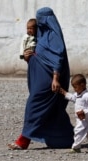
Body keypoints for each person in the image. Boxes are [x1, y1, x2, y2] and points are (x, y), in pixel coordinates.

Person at [8, 7, 74, 149]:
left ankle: (23, 140)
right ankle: (65, 139)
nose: (39, 22)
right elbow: (39, 56)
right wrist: (28, 58)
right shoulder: (41, 36)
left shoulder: (53, 37)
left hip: (49, 83)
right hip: (40, 80)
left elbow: (58, 58)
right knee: (53, 111)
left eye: (41, 19)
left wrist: (56, 79)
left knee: (34, 106)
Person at [59, 74, 88, 153]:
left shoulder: (87, 96)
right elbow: (73, 98)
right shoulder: (78, 95)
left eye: (75, 87)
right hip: (80, 119)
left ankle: (76, 147)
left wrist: (84, 112)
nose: (74, 89)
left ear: (82, 85)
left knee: (78, 131)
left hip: (85, 119)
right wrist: (64, 93)